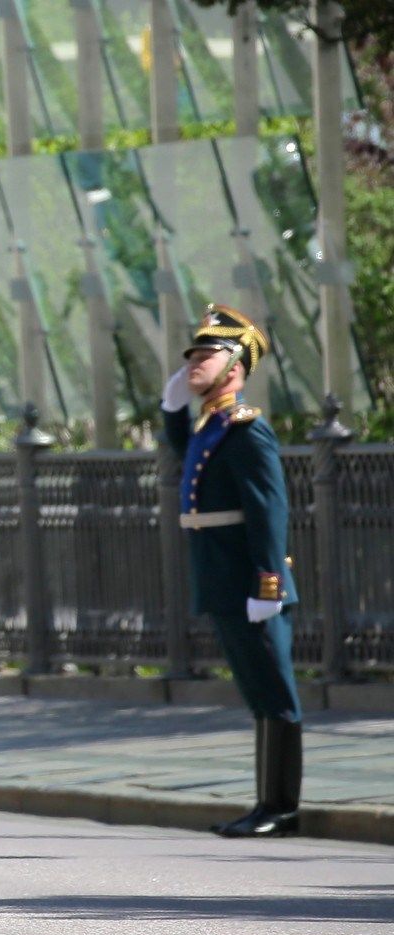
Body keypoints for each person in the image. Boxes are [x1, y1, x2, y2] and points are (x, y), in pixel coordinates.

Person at [161, 305, 302, 837]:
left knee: (277, 692)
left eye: (206, 355)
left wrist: (269, 581)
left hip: (252, 583)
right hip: (222, 582)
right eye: (190, 355)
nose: (194, 362)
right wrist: (173, 406)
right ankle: (267, 803)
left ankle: (283, 808)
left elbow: (270, 510)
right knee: (257, 692)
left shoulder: (248, 431)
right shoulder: (210, 428)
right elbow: (183, 450)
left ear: (237, 367)